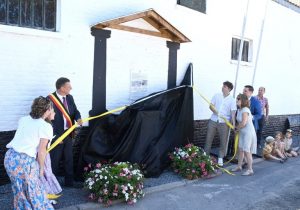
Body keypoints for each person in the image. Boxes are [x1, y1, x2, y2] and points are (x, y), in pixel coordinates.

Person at [4, 96, 54, 209]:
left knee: (19, 190)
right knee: (34, 191)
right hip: (25, 161)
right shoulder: (46, 127)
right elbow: (41, 151)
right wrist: (41, 169)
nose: (52, 111)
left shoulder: (23, 119)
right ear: (47, 111)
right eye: (51, 109)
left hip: (10, 158)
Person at [48, 77, 83, 187]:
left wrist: (78, 118)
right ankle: (51, 185)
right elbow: (46, 119)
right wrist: (54, 137)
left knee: (69, 158)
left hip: (68, 132)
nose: (71, 88)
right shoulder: (49, 100)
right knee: (55, 160)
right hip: (56, 134)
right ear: (62, 88)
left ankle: (69, 183)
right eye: (68, 87)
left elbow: (75, 111)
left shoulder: (70, 97)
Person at [204, 81, 236, 166]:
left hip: (224, 123)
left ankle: (220, 157)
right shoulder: (216, 95)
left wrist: (233, 125)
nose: (222, 87)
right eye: (223, 86)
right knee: (208, 138)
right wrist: (215, 111)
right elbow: (211, 105)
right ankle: (205, 155)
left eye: (224, 86)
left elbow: (233, 113)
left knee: (223, 140)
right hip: (213, 120)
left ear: (229, 89)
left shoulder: (232, 100)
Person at [231, 93, 256, 176]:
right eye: (237, 99)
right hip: (242, 132)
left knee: (247, 151)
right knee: (240, 149)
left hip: (248, 132)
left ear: (242, 100)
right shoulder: (240, 109)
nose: (237, 100)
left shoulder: (245, 109)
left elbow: (244, 122)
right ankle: (239, 166)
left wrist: (236, 128)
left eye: (238, 99)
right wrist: (237, 128)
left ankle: (250, 169)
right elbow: (239, 122)